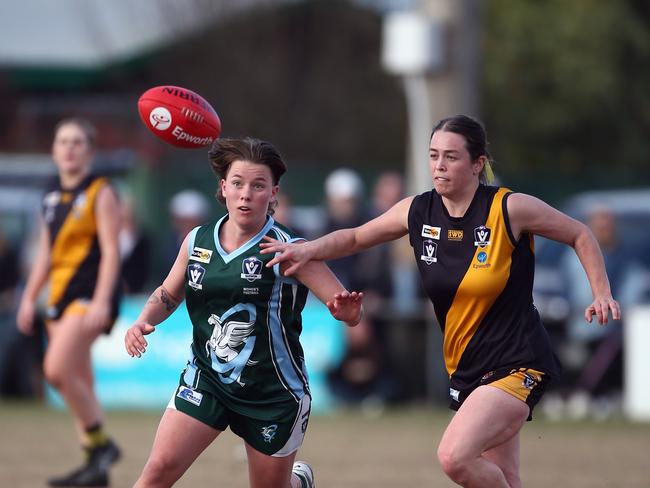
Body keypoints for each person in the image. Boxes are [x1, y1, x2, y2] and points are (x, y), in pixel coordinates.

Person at [260, 114, 620, 488]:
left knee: (454, 456)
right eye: (433, 156)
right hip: (466, 367)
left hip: (518, 362)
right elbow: (353, 238)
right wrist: (304, 250)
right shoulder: (418, 210)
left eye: (451, 157)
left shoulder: (508, 209)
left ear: (478, 163)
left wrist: (601, 291)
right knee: (506, 478)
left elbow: (579, 233)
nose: (439, 166)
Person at [124, 137, 363, 488]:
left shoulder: (289, 248)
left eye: (258, 185)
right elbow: (168, 294)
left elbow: (345, 309)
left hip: (272, 393)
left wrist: (347, 311)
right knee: (155, 474)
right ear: (223, 189)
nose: (246, 194)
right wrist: (144, 319)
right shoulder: (196, 241)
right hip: (206, 380)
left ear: (273, 193)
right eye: (237, 183)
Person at [16, 118, 123, 487]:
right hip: (59, 298)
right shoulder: (49, 195)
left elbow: (111, 252)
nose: (70, 148)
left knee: (56, 370)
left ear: (90, 151)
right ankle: (96, 469)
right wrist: (28, 298)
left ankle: (103, 446)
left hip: (88, 295)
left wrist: (102, 301)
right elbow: (46, 254)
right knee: (80, 381)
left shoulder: (101, 191)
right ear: (54, 150)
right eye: (63, 141)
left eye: (78, 142)